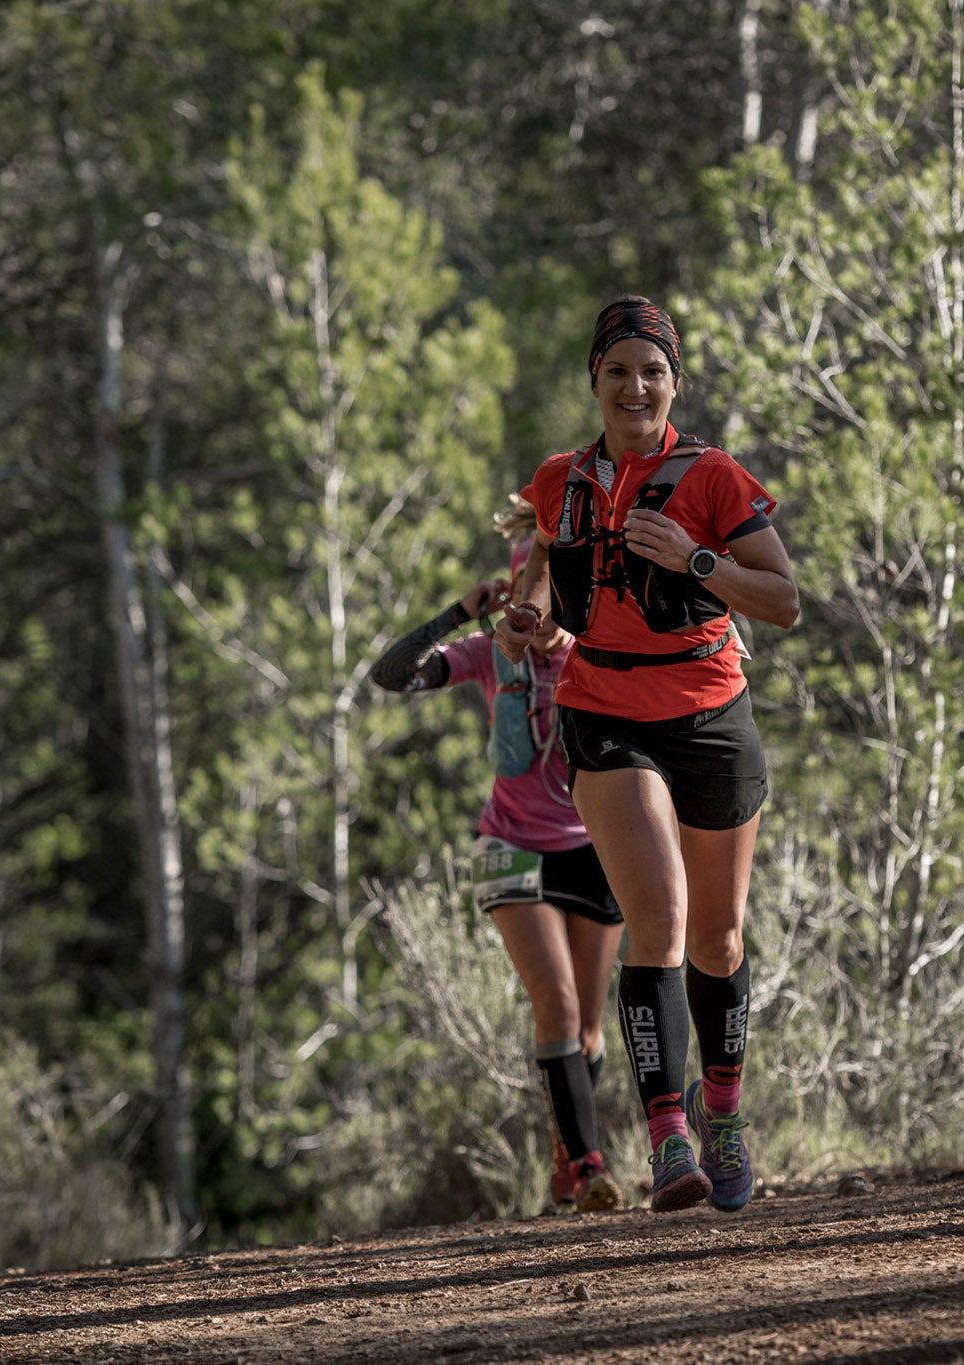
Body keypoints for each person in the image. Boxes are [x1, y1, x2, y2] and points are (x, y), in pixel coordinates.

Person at [494, 295, 797, 1213]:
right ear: (594, 378)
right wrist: (529, 622)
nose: (635, 386)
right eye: (618, 370)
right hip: (606, 709)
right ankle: (668, 1136)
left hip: (710, 710)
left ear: (676, 382)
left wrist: (695, 561)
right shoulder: (559, 479)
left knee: (718, 934)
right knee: (658, 919)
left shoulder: (711, 478)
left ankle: (725, 1112)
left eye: (652, 371)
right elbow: (544, 581)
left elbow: (783, 600)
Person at [372, 520, 628, 1214]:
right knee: (559, 1004)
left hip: (592, 848)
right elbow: (390, 674)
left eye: (548, 593)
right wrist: (459, 612)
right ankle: (589, 1162)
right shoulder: (489, 654)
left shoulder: (596, 655)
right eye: (524, 590)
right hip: (510, 844)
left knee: (589, 1030)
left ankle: (563, 1154)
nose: (534, 606)